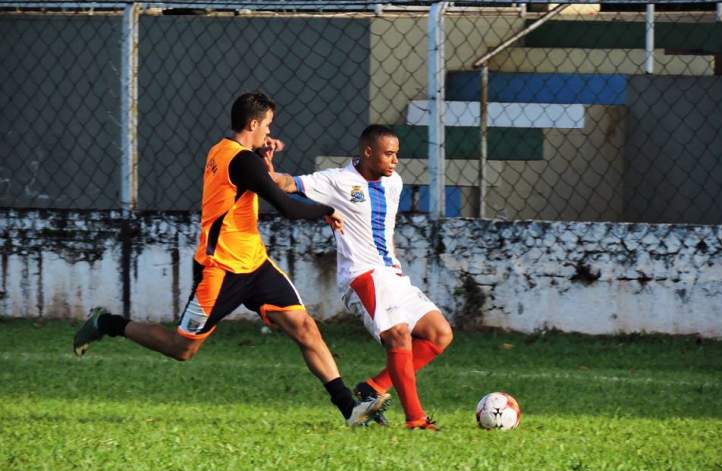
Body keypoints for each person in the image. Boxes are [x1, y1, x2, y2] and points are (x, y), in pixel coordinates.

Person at [73, 92, 389, 427]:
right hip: (220, 269)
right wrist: (327, 208)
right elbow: (285, 205)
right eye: (267, 126)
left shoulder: (224, 149)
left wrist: (263, 152)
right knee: (182, 349)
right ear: (253, 124)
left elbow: (253, 174)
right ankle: (106, 323)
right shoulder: (242, 161)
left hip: (254, 262)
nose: (270, 133)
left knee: (304, 327)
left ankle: (349, 410)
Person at [271, 124, 453, 430]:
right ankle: (415, 418)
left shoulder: (393, 182)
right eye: (389, 154)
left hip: (391, 274)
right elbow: (287, 183)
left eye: (397, 154)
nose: (395, 160)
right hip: (362, 274)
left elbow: (385, 229)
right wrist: (265, 162)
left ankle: (373, 387)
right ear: (368, 152)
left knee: (440, 334)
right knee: (399, 335)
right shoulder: (338, 181)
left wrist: (396, 268)